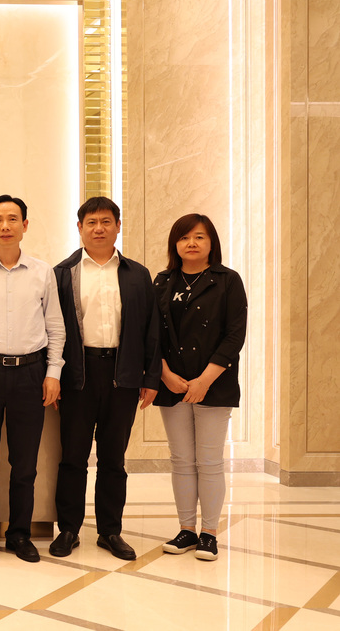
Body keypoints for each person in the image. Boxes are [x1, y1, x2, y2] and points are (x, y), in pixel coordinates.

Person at [50, 197, 160, 561]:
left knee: (114, 459)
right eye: (92, 222)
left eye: (106, 221)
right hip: (77, 374)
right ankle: (68, 529)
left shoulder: (137, 274)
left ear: (117, 226)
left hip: (122, 375)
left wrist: (150, 377)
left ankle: (110, 531)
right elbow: (51, 329)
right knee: (73, 457)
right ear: (79, 228)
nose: (99, 228)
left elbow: (150, 330)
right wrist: (53, 376)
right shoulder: (62, 273)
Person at [0, 194, 64, 563]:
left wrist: (53, 373)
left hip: (31, 373)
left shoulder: (43, 272)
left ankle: (20, 534)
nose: (5, 226)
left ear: (25, 225)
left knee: (25, 464)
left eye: (13, 219)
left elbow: (55, 327)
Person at [153, 214, 247, 561]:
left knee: (208, 460)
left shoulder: (227, 281)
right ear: (174, 244)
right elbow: (152, 335)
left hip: (215, 384)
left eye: (199, 237)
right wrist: (165, 375)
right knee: (180, 459)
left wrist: (204, 380)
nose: (191, 243)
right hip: (172, 383)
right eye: (184, 238)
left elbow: (234, 335)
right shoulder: (162, 281)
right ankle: (186, 530)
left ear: (211, 243)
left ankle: (209, 533)